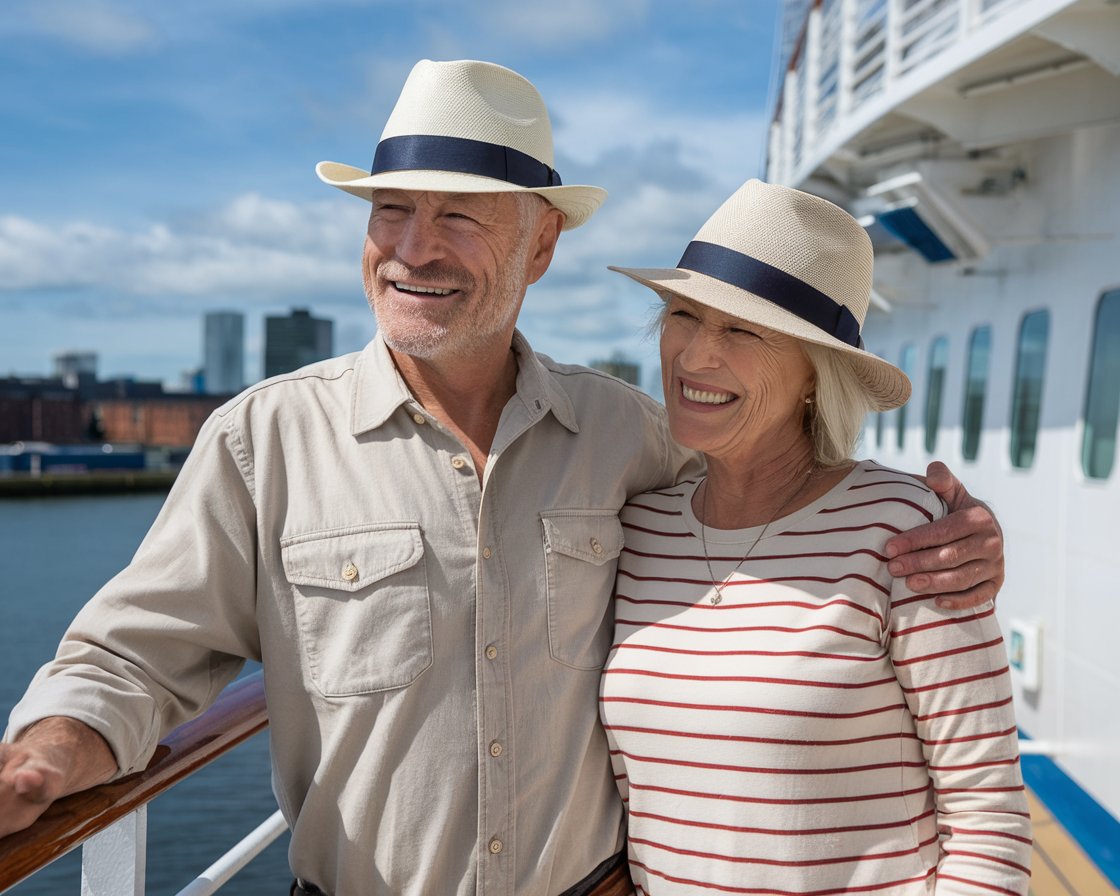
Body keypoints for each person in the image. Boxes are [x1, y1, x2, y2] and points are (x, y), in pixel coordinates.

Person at [0, 61, 1005, 895]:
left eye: (461, 218)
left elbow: (779, 490)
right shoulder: (262, 439)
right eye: (391, 210)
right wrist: (47, 754)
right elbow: (134, 657)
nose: (412, 248)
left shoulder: (628, 436)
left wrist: (953, 536)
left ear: (542, 243)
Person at [600, 179, 1031, 895]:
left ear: (814, 374)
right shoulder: (638, 527)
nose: (697, 355)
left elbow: (988, 817)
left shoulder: (907, 531)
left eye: (742, 329)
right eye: (684, 314)